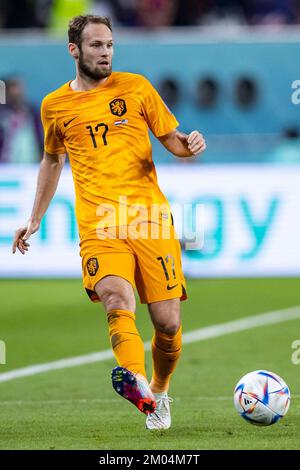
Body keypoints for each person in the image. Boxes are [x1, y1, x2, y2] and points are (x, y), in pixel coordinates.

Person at [12, 14, 206, 430]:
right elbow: (51, 159)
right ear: (74, 50)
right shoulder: (54, 106)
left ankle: (158, 388)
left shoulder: (136, 87)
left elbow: (172, 140)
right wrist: (34, 218)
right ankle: (135, 381)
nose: (105, 53)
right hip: (99, 225)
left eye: (110, 45)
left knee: (167, 325)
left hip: (150, 221)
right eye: (97, 45)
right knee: (118, 300)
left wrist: (189, 146)